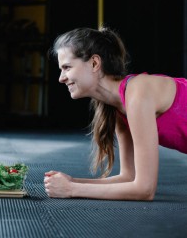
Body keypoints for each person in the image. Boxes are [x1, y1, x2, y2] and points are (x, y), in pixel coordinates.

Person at [44, 27, 187, 201]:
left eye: (67, 67)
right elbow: (128, 177)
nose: (61, 78)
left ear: (95, 63)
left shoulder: (137, 94)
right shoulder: (119, 109)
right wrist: (72, 182)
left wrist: (72, 189)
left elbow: (145, 189)